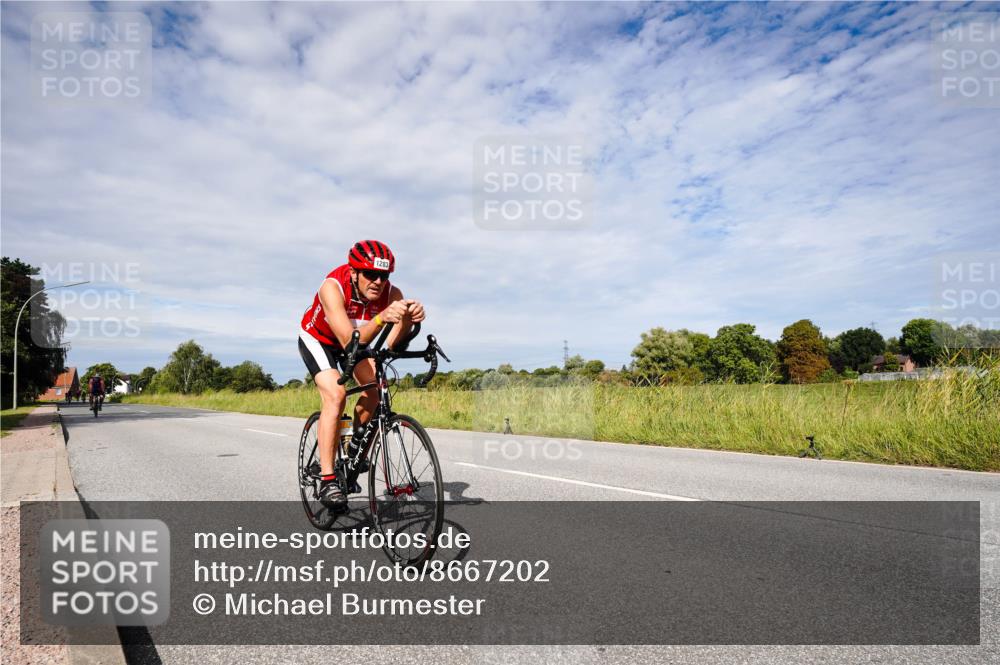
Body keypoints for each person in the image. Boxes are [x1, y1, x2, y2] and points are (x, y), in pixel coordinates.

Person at [298, 240, 425, 508]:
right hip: (320, 340)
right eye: (371, 274)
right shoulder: (332, 287)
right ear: (354, 272)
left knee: (376, 389)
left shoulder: (392, 293)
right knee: (336, 394)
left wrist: (408, 322)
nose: (378, 281)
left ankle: (353, 449)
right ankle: (328, 478)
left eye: (384, 275)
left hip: (358, 343)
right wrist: (381, 319)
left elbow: (393, 345)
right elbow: (347, 342)